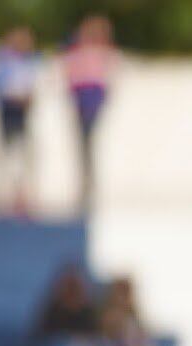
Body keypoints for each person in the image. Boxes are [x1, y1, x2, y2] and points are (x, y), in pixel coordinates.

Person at [63, 15, 116, 211]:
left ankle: (89, 186)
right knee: (83, 146)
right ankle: (84, 185)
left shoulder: (102, 53)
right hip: (81, 99)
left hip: (91, 100)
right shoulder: (77, 52)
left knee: (88, 144)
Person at [0, 25, 39, 217]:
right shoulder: (4, 59)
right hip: (9, 110)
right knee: (7, 153)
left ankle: (21, 194)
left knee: (23, 154)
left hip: (22, 112)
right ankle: (4, 194)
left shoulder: (30, 62)